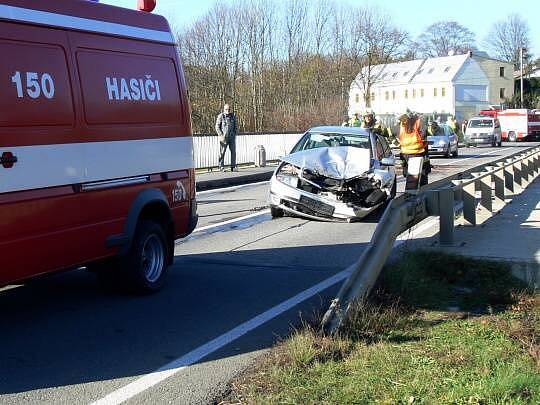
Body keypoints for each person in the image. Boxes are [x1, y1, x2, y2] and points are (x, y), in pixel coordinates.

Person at [399, 111, 430, 187]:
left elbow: (394, 135)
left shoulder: (401, 125)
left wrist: (398, 144)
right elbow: (424, 135)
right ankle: (421, 193)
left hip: (405, 153)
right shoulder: (418, 122)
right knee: (421, 177)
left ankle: (410, 194)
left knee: (410, 177)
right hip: (418, 152)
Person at [215, 103, 238, 172]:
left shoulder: (233, 116)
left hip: (231, 138)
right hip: (224, 138)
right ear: (224, 109)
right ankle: (221, 166)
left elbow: (236, 126)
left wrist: (234, 134)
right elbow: (217, 127)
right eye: (226, 109)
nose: (228, 110)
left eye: (229, 109)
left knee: (233, 152)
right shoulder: (221, 116)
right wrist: (221, 135)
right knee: (222, 152)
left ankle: (233, 167)